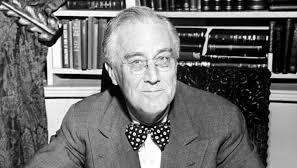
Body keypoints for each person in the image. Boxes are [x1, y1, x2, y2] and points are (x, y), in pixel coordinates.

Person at [26, 6, 264, 168]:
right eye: (137, 62)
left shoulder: (222, 120)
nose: (153, 76)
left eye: (162, 59)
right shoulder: (84, 120)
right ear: (113, 74)